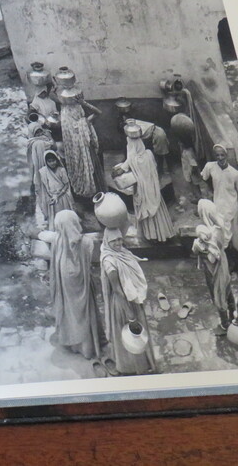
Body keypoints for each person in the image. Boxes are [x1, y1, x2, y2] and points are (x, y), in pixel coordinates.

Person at [45, 210, 103, 360]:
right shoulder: (85, 243)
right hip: (81, 284)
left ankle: (74, 343)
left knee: (71, 312)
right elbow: (91, 251)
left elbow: (46, 235)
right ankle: (88, 348)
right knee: (84, 312)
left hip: (66, 283)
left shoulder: (58, 240)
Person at [99, 227, 157, 375]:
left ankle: (142, 364)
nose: (118, 243)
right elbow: (118, 290)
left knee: (137, 335)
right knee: (128, 334)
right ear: (107, 241)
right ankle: (128, 367)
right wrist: (130, 314)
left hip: (133, 299)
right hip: (122, 303)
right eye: (114, 240)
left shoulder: (122, 252)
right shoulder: (109, 262)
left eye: (120, 239)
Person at [116, 127, 175, 242]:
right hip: (153, 189)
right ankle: (163, 234)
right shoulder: (149, 154)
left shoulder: (133, 159)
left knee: (147, 214)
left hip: (142, 191)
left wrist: (119, 170)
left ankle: (151, 236)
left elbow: (124, 167)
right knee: (158, 211)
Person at [200, 144, 238, 257]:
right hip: (218, 208)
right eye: (217, 155)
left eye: (222, 155)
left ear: (226, 155)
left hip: (232, 208)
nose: (220, 157)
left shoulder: (234, 173)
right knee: (222, 237)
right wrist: (212, 189)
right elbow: (204, 177)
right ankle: (225, 264)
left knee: (236, 238)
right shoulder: (210, 167)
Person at [58, 88, 104, 198]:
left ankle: (92, 197)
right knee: (92, 173)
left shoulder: (66, 116)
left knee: (90, 173)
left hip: (80, 152)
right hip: (85, 151)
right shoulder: (83, 122)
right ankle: (95, 197)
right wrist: (84, 103)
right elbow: (98, 112)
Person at [192, 224, 233, 334]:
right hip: (219, 270)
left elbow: (212, 259)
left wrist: (204, 249)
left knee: (219, 295)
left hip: (216, 272)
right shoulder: (215, 234)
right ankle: (233, 316)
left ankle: (225, 323)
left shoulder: (212, 244)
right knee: (226, 290)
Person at [38, 150, 76, 229]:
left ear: (57, 160)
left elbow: (66, 185)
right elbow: (45, 186)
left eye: (53, 160)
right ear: (46, 162)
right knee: (56, 218)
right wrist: (51, 196)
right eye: (49, 161)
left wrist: (58, 195)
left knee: (65, 216)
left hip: (62, 197)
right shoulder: (44, 171)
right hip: (52, 197)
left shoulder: (61, 170)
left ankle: (68, 230)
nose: (52, 163)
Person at [27, 126, 56, 226]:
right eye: (37, 134)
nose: (39, 135)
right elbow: (53, 145)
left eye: (40, 133)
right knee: (45, 190)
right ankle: (48, 212)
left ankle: (49, 211)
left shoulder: (31, 143)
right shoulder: (39, 143)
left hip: (44, 167)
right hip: (41, 168)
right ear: (33, 135)